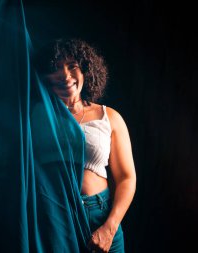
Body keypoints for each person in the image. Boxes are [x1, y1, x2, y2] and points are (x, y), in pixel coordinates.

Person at [35, 38, 136, 253]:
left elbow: (127, 178)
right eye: (56, 68)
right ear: (45, 77)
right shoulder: (36, 118)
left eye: (73, 66)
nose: (66, 75)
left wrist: (109, 227)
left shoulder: (108, 117)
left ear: (86, 71)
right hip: (54, 218)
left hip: (100, 217)